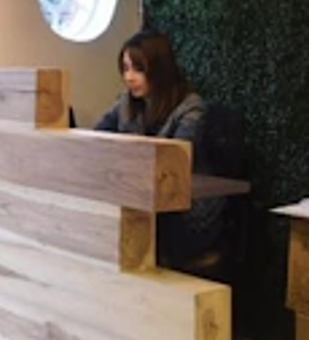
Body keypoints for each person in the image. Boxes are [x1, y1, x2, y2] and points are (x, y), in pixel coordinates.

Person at [95, 30, 226, 272]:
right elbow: (97, 135)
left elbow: (172, 163)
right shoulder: (126, 102)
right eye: (125, 69)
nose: (129, 77)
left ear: (159, 69)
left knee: (125, 228)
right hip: (143, 198)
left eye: (138, 69)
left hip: (186, 212)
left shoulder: (191, 108)